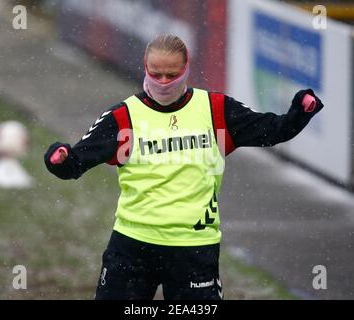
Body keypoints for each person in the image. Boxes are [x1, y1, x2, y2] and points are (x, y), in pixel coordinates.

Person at [44, 34, 324, 300]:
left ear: (186, 68)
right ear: (145, 68)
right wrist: (60, 158)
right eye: (156, 74)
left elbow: (272, 130)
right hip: (133, 246)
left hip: (194, 248)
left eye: (172, 75)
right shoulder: (123, 116)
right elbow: (75, 163)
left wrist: (300, 112)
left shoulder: (215, 109)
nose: (163, 82)